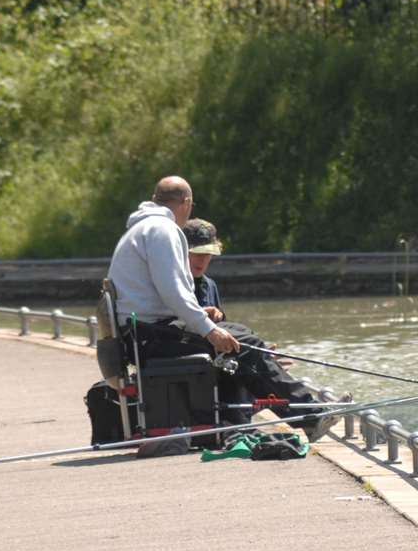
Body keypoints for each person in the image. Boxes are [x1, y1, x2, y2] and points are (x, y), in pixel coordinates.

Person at [107, 176, 336, 441]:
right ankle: (309, 414)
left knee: (238, 332)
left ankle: (296, 411)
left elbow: (160, 293)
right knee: (244, 344)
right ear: (187, 203)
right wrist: (208, 330)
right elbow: (174, 291)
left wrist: (200, 318)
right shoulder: (162, 229)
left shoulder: (140, 229)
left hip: (144, 333)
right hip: (152, 337)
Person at [183, 217, 226, 321]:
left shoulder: (210, 285)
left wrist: (219, 315)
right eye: (198, 253)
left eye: (207, 254)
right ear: (182, 252)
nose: (202, 260)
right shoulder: (171, 285)